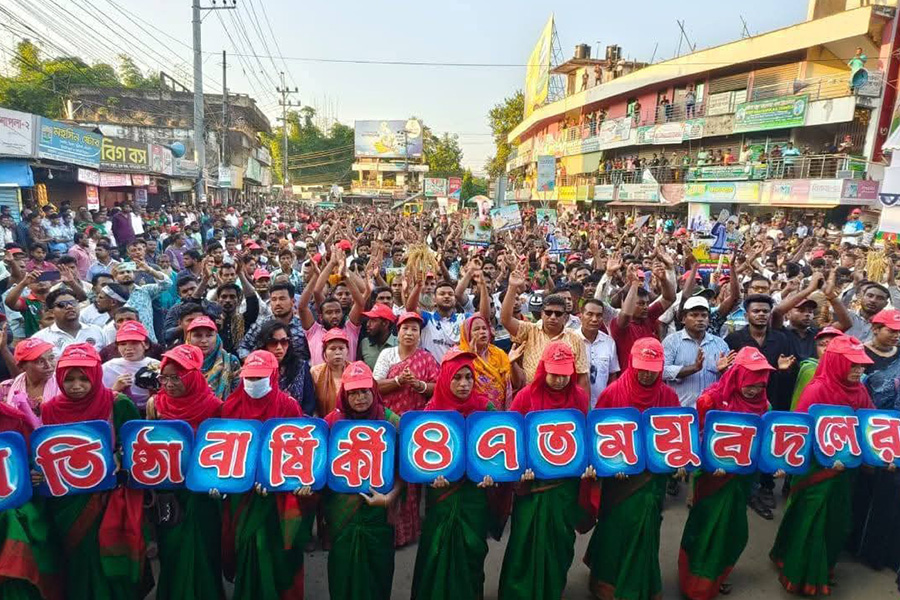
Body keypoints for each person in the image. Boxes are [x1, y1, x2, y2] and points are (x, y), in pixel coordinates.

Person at [41, 343, 147, 598]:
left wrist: (120, 459)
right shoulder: (50, 409)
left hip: (108, 495)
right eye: (69, 380)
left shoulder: (118, 403)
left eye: (84, 379)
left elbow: (135, 445)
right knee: (76, 557)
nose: (76, 386)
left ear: (97, 376)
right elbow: (45, 448)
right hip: (67, 498)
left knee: (108, 554)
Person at [770, 335, 874, 595]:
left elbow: (869, 426)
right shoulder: (817, 389)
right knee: (810, 521)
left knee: (836, 522)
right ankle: (799, 573)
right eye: (853, 365)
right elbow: (799, 431)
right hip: (817, 470)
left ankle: (823, 567)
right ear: (837, 363)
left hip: (844, 472)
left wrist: (879, 457)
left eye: (861, 365)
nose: (859, 370)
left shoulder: (860, 390)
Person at [678, 347, 775, 599]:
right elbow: (696, 440)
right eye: (749, 384)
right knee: (705, 527)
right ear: (736, 377)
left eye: (760, 385)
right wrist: (709, 463)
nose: (754, 390)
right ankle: (695, 580)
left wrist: (774, 463)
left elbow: (766, 441)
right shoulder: (709, 400)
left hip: (742, 479)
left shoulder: (765, 405)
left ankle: (718, 574)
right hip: (713, 479)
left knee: (732, 528)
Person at [499, 342, 593, 600]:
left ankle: (551, 589)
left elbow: (584, 437)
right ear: (543, 369)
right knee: (524, 543)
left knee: (559, 543)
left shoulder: (580, 398)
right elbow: (511, 439)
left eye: (565, 373)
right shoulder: (525, 397)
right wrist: (520, 470)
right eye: (554, 373)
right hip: (533, 488)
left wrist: (587, 467)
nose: (560, 379)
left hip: (565, 488)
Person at [220, 350, 313, 600]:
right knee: (249, 548)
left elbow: (299, 447)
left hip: (279, 496)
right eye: (249, 378)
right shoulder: (230, 407)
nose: (253, 384)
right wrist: (219, 482)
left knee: (276, 551)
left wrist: (291, 481)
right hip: (243, 495)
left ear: (273, 376)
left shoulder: (288, 405)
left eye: (260, 378)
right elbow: (224, 449)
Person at [411, 350, 501, 600]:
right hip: (442, 494)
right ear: (445, 379)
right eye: (457, 378)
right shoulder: (431, 412)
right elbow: (419, 460)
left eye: (468, 378)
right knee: (436, 550)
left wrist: (493, 474)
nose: (464, 384)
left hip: (475, 494)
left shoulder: (486, 408)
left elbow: (502, 449)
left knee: (472, 551)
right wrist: (431, 477)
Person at [145, 344, 224, 600]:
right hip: (169, 491)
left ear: (191, 377)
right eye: (164, 377)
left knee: (205, 547)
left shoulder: (215, 407)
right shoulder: (154, 405)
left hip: (203, 492)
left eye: (175, 377)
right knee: (173, 548)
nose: (168, 384)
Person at [323, 361, 402, 600]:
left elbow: (403, 471)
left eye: (364, 391)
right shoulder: (330, 424)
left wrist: (389, 498)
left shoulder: (391, 422)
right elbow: (316, 467)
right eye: (353, 392)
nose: (360, 398)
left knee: (378, 572)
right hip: (342, 513)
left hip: (378, 515)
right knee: (342, 571)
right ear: (344, 395)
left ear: (374, 390)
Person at [373, 311, 439, 547]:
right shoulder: (387, 355)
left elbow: (437, 387)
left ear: (420, 335)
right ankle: (387, 530)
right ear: (397, 332)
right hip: (389, 423)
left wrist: (418, 384)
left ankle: (408, 531)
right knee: (389, 473)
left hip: (415, 426)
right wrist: (399, 381)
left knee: (410, 479)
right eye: (405, 328)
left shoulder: (427, 358)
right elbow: (375, 386)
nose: (409, 333)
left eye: (414, 329)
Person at [849, 309, 900, 571]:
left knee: (889, 493)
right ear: (876, 327)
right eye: (891, 330)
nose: (896, 336)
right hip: (861, 431)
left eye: (899, 332)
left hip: (894, 434)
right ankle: (854, 544)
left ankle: (878, 551)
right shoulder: (858, 354)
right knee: (861, 491)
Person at [501, 265, 590, 394]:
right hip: (533, 396)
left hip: (564, 399)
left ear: (565, 316)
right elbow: (505, 320)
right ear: (542, 313)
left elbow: (582, 377)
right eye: (548, 313)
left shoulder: (575, 338)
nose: (552, 317)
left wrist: (583, 410)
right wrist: (512, 287)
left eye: (558, 314)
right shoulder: (530, 330)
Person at [663, 296, 734, 408]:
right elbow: (663, 371)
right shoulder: (671, 342)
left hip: (712, 411)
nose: (700, 319)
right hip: (682, 410)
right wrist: (693, 368)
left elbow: (733, 379)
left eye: (704, 315)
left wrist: (725, 371)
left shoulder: (720, 344)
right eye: (694, 315)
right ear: (683, 319)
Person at [255, 320, 316, 416]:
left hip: (296, 423)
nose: (279, 347)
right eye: (273, 343)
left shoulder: (301, 367)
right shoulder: (255, 368)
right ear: (264, 344)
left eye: (284, 342)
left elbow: (309, 404)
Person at [239, 281, 311, 360]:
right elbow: (243, 347)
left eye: (282, 299)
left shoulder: (303, 326)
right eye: (274, 299)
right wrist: (254, 363)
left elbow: (314, 353)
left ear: (292, 302)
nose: (277, 303)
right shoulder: (261, 324)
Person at [456, 313, 514, 410]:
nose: (482, 332)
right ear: (467, 334)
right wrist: (470, 357)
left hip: (499, 412)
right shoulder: (458, 355)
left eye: (484, 328)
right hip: (472, 411)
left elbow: (516, 383)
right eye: (476, 329)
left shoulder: (499, 354)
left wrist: (513, 364)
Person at [101, 321, 160, 413]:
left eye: (134, 343)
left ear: (146, 344)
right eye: (123, 344)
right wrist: (115, 389)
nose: (128, 348)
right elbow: (100, 399)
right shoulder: (108, 367)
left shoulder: (157, 365)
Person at [31, 288, 105, 357]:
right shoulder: (41, 338)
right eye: (62, 304)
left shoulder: (96, 331)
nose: (69, 306)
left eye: (73, 302)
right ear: (52, 311)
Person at [0, 337, 57, 425]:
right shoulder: (5, 389)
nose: (48, 365)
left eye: (51, 358)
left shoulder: (63, 385)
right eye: (40, 361)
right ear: (21, 366)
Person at [185, 315, 239, 400]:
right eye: (198, 335)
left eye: (209, 335)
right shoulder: (181, 362)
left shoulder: (230, 361)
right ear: (189, 338)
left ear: (217, 337)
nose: (204, 341)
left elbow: (237, 394)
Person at [311, 328, 351, 416]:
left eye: (341, 348)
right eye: (332, 349)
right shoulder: (315, 372)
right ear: (324, 352)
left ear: (347, 350)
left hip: (349, 424)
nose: (337, 353)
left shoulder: (354, 371)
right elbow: (312, 404)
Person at [359, 303, 397, 370]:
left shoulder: (399, 345)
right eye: (368, 320)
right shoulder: (364, 343)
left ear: (385, 323)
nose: (368, 324)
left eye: (373, 320)